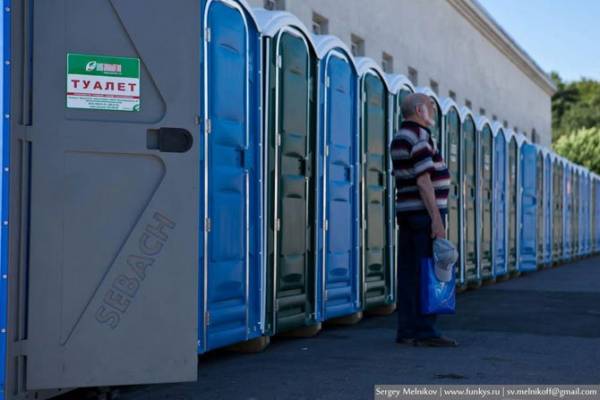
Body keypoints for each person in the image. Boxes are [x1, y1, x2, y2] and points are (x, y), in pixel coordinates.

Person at [391, 93, 458, 347]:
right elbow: (424, 181)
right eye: (431, 107)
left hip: (408, 213)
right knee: (428, 272)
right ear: (419, 110)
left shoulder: (401, 136)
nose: (433, 111)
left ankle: (407, 330)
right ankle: (425, 331)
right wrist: (437, 222)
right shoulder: (419, 137)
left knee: (409, 273)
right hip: (424, 215)